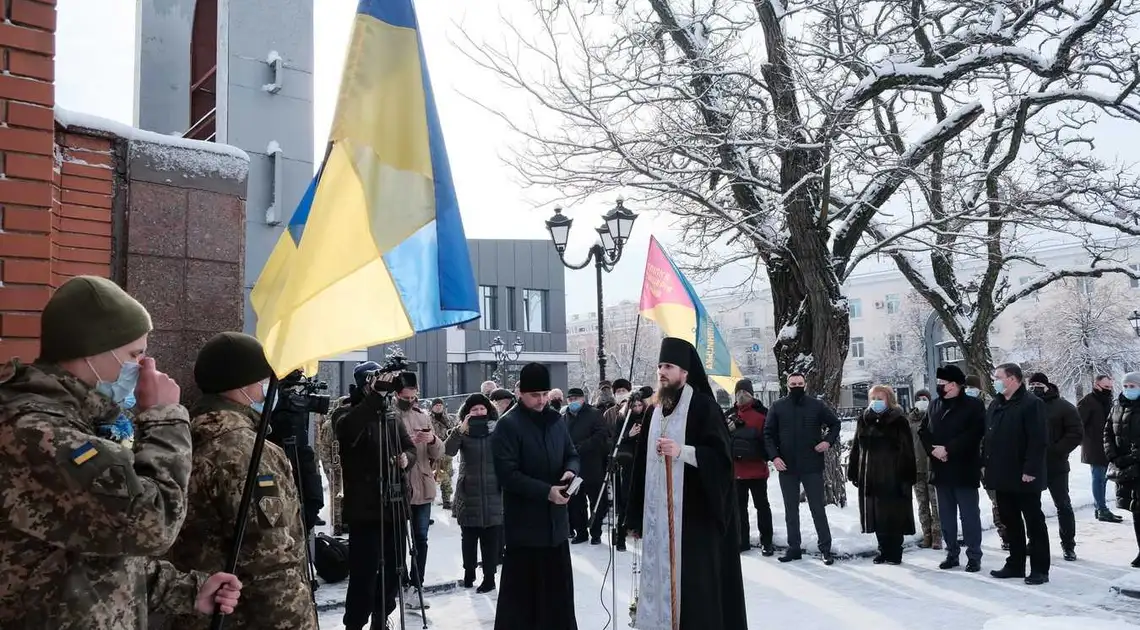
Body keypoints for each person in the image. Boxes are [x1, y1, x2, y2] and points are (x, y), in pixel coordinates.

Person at [0, 276, 242, 627]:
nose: (145, 368)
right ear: (91, 350)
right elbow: (153, 524)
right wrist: (164, 419)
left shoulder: (75, 421)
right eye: (135, 354)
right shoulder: (36, 433)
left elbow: (91, 553)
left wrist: (188, 590)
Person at [167, 332, 317, 629]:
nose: (268, 391)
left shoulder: (181, 437)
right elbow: (271, 562)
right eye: (264, 381)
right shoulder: (248, 451)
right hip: (245, 617)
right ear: (243, 385)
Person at [625, 338, 747, 629]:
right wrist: (633, 516)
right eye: (659, 366)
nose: (662, 372)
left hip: (694, 519)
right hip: (658, 522)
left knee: (694, 590)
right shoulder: (654, 410)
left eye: (669, 366)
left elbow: (721, 461)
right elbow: (641, 465)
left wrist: (683, 452)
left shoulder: (704, 407)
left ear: (685, 372)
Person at [492, 363, 580, 630]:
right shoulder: (508, 425)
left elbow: (572, 454)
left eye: (544, 394)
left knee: (558, 601)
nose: (541, 401)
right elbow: (508, 475)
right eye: (535, 395)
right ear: (520, 393)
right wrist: (546, 492)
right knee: (523, 606)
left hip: (556, 529)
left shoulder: (556, 420)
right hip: (526, 532)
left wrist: (569, 472)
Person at [335, 364, 417, 630]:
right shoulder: (347, 411)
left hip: (394, 505)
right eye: (375, 382)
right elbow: (347, 431)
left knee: (394, 569)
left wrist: (407, 459)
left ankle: (381, 616)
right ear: (364, 384)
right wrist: (375, 397)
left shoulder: (390, 415)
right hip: (365, 509)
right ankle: (355, 623)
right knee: (364, 573)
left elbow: (409, 446)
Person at [763, 371, 840, 564]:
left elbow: (835, 424)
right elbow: (768, 434)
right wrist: (774, 457)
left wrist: (827, 442)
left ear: (805, 385)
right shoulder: (778, 406)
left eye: (799, 383)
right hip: (787, 466)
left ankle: (825, 549)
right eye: (793, 383)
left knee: (817, 509)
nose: (796, 386)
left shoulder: (816, 405)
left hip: (811, 464)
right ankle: (794, 548)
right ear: (787, 385)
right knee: (791, 510)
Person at [985, 363, 1049, 585]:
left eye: (998, 377)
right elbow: (990, 437)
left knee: (1033, 522)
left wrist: (1030, 470)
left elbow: (1038, 440)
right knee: (1010, 521)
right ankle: (1015, 564)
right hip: (1002, 475)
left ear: (1013, 379)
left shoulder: (1032, 404)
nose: (996, 381)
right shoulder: (997, 404)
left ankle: (1040, 568)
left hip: (1024, 475)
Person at [920, 364, 985, 572]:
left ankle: (974, 555)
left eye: (943, 383)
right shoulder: (935, 405)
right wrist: (933, 450)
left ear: (955, 385)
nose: (939, 386)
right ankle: (951, 553)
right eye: (938, 383)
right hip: (941, 469)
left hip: (964, 467)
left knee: (969, 515)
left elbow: (974, 433)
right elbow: (923, 430)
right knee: (946, 515)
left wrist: (948, 448)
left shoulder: (973, 405)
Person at [848, 385, 916, 565]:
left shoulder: (899, 420)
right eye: (874, 398)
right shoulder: (864, 419)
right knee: (876, 514)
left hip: (892, 474)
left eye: (881, 398)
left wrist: (907, 474)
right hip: (870, 475)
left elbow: (908, 449)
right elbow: (857, 446)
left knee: (893, 514)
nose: (876, 402)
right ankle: (883, 550)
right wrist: (854, 469)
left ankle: (895, 551)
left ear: (889, 399)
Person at [444, 393, 503, 592]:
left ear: (488, 410)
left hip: (493, 491)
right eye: (474, 409)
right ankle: (468, 571)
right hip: (468, 491)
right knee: (468, 538)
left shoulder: (498, 430)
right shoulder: (462, 432)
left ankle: (489, 577)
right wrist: (460, 430)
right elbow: (448, 451)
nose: (479, 412)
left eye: (482, 409)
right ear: (467, 413)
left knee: (490, 540)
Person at [394, 373, 440, 606]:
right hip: (398, 486)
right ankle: (399, 583)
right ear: (396, 394)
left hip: (422, 485)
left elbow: (439, 453)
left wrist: (431, 439)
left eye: (414, 397)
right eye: (405, 397)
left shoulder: (422, 416)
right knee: (398, 540)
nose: (410, 400)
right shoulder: (389, 416)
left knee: (421, 538)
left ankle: (416, 584)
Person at [1028, 372, 1082, 561]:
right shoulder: (1026, 406)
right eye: (1031, 384)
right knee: (1031, 506)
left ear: (1047, 385)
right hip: (1032, 466)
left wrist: (1056, 450)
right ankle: (1033, 542)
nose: (1035, 387)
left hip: (1056, 465)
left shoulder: (1063, 407)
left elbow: (1075, 433)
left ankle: (1068, 545)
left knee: (1063, 505)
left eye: (1038, 384)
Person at [727, 378, 774, 556]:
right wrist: (727, 430)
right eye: (738, 393)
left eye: (745, 393)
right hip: (737, 472)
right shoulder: (729, 414)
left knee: (762, 507)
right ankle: (742, 540)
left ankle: (767, 541)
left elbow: (769, 440)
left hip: (757, 471)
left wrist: (763, 454)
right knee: (739, 509)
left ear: (751, 394)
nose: (741, 396)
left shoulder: (762, 414)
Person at [565, 387, 610, 545]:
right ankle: (581, 532)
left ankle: (596, 532)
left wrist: (582, 446)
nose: (573, 402)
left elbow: (601, 435)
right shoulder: (565, 417)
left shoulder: (594, 414)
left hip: (593, 465)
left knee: (597, 500)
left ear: (583, 399)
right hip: (574, 468)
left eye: (575, 399)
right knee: (576, 503)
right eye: (570, 399)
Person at [1104, 371, 1140, 568]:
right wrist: (1114, 456)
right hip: (1125, 468)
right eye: (1125, 386)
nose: (1128, 390)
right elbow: (1107, 432)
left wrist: (1131, 458)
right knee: (1135, 510)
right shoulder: (1118, 406)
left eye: (1132, 386)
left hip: (1135, 464)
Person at [1079, 375, 1124, 523]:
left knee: (1103, 479)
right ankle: (1101, 509)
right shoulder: (1088, 402)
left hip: (1107, 445)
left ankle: (1101, 508)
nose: (1109, 390)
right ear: (1096, 385)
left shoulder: (1108, 400)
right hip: (1094, 446)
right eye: (1106, 387)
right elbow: (1078, 425)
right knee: (1098, 478)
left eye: (1110, 387)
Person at [612, 389, 650, 552]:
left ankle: (640, 530)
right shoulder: (623, 418)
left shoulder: (648, 418)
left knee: (644, 497)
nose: (637, 408)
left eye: (640, 404)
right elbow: (616, 440)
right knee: (625, 500)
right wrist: (629, 434)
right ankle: (621, 535)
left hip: (644, 463)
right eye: (634, 405)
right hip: (628, 464)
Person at [908, 389, 941, 549]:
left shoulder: (935, 416)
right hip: (916, 468)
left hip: (932, 467)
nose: (922, 401)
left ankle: (937, 536)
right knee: (922, 504)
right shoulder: (909, 420)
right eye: (919, 398)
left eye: (924, 398)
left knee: (936, 504)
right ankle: (926, 534)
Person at [316, 408, 344, 535]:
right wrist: (328, 467)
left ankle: (347, 521)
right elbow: (324, 448)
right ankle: (337, 524)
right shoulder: (329, 425)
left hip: (348, 465)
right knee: (336, 496)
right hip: (335, 466)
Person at [429, 398, 456, 510]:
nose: (438, 407)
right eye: (436, 405)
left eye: (440, 405)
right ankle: (428, 501)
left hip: (446, 451)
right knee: (430, 478)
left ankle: (446, 500)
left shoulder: (448, 418)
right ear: (432, 407)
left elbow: (453, 430)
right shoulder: (428, 419)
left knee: (447, 477)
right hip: (432, 452)